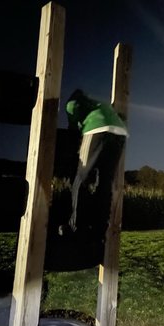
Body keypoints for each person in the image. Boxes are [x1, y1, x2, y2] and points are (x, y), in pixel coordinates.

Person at [58, 89, 128, 239]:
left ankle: (74, 226)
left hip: (96, 128)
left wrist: (73, 130)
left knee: (80, 179)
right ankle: (100, 227)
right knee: (105, 182)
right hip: (120, 132)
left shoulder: (72, 103)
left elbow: (73, 107)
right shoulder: (100, 104)